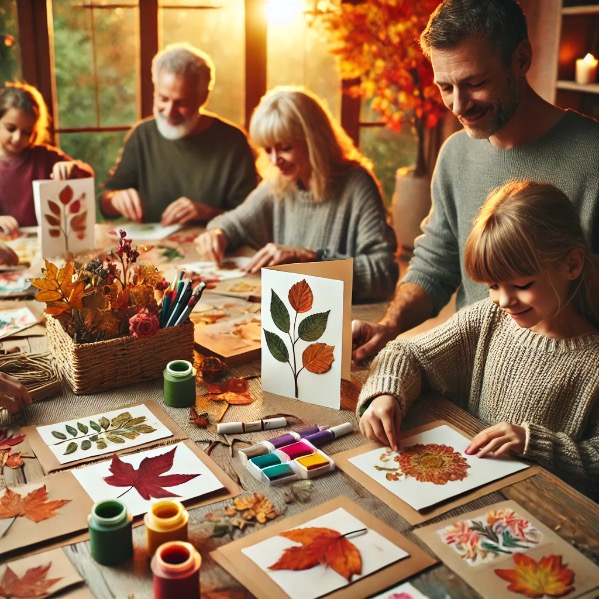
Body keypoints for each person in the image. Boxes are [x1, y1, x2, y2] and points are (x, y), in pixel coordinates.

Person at [351, 0, 599, 360]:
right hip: (471, 373)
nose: (458, 105)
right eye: (445, 87)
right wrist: (388, 326)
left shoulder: (592, 157)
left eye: (475, 82)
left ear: (521, 59)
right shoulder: (455, 154)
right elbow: (435, 264)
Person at [358, 180, 599, 500]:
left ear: (572, 264)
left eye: (522, 284)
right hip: (462, 493)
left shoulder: (592, 362)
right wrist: (386, 394)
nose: (503, 299)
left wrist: (533, 442)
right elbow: (409, 353)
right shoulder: (488, 318)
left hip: (538, 512)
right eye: (492, 285)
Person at [194, 86, 399, 302]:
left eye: (284, 148)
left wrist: (310, 257)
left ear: (314, 141)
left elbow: (384, 275)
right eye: (267, 149)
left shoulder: (357, 185)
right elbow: (231, 223)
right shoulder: (281, 182)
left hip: (339, 318)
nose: (274, 160)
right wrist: (217, 234)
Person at [99, 43, 258, 225]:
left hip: (212, 249)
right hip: (147, 251)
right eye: (163, 98)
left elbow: (252, 218)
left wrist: (208, 213)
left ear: (202, 98)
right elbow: (104, 202)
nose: (169, 112)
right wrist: (115, 199)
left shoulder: (233, 141)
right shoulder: (142, 135)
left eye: (181, 103)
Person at [0, 82, 94, 234]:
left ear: (35, 131)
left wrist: (72, 168)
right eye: (10, 128)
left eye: (26, 132)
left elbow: (87, 176)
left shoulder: (45, 157)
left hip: (43, 245)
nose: (17, 138)